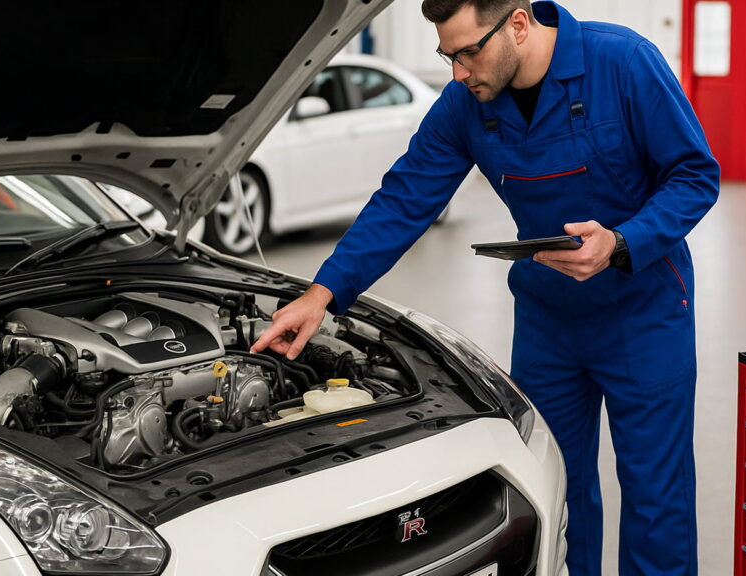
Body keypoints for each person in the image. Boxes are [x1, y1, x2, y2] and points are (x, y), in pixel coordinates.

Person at [251, 1, 719, 574]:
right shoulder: (464, 105)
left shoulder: (622, 62)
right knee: (556, 487)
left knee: (655, 495)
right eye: (448, 56)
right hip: (549, 321)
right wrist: (321, 294)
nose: (458, 72)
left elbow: (695, 175)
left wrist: (622, 242)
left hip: (643, 311)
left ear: (518, 24)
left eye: (469, 52)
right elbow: (404, 199)